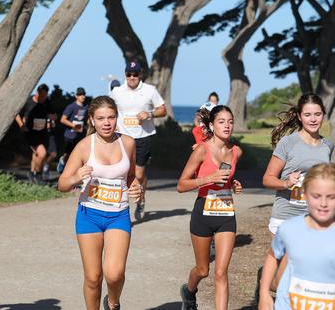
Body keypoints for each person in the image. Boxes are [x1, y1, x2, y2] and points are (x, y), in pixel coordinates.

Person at [57, 96, 143, 310]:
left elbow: (131, 175)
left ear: (117, 118)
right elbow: (62, 184)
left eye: (111, 117)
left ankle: (113, 303)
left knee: (114, 274)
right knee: (93, 277)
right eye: (101, 118)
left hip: (118, 215)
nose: (107, 122)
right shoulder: (84, 146)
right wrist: (76, 177)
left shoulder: (128, 143)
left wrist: (136, 186)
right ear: (92, 121)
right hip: (89, 216)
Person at [258, 163, 335, 310]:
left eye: (331, 197)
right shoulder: (289, 228)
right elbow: (273, 256)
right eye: (316, 196)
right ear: (304, 193)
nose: (323, 203)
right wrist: (264, 292)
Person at [259, 93, 334, 295]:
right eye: (308, 114)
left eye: (317, 114)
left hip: (313, 220)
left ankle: (274, 292)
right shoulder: (288, 143)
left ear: (323, 115)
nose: (313, 119)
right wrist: (286, 182)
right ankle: (267, 288)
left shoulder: (328, 146)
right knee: (283, 280)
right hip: (285, 217)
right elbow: (267, 179)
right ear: (300, 117)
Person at [177, 105, 243, 310]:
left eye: (230, 121)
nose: (227, 126)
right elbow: (181, 185)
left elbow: (226, 178)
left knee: (221, 272)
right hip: (203, 212)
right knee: (203, 270)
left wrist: (233, 183)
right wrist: (208, 179)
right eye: (222, 122)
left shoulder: (236, 151)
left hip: (225, 213)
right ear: (212, 125)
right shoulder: (201, 151)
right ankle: (189, 290)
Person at [110, 61, 166, 220]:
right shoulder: (117, 91)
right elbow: (108, 108)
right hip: (122, 137)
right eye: (129, 74)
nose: (132, 77)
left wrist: (150, 114)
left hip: (143, 137)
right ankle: (122, 206)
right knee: (123, 172)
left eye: (135, 74)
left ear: (140, 75)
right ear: (125, 74)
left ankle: (141, 200)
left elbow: (163, 110)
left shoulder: (150, 90)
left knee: (139, 175)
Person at [15, 83, 56, 183]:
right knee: (42, 153)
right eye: (41, 95)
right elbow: (16, 114)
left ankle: (32, 174)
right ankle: (38, 175)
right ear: (38, 93)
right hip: (30, 132)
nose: (43, 98)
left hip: (43, 133)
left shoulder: (47, 102)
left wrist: (53, 118)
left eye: (45, 96)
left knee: (36, 154)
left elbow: (53, 115)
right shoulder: (28, 101)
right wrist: (21, 125)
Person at [58, 87, 89, 174]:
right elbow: (62, 119)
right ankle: (62, 162)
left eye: (83, 94)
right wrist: (74, 126)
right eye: (80, 94)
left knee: (77, 155)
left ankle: (72, 173)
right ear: (76, 96)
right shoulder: (71, 107)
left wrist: (89, 123)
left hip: (80, 135)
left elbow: (85, 120)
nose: (82, 96)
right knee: (68, 154)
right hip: (69, 135)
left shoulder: (85, 107)